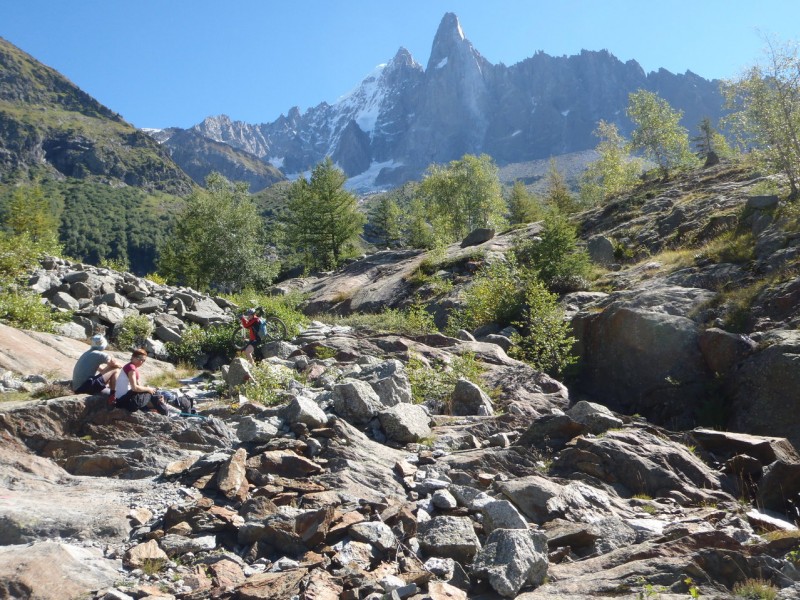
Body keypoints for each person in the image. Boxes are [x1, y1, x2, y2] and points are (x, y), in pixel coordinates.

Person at [115, 348, 169, 415]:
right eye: (139, 358)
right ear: (133, 357)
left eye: (143, 360)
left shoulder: (131, 367)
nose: (141, 362)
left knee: (152, 391)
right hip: (124, 401)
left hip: (123, 400)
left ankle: (154, 408)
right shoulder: (131, 368)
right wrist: (149, 389)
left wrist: (150, 389)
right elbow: (134, 388)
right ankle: (164, 412)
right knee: (151, 392)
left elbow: (139, 387)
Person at [71, 334, 122, 404]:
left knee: (108, 369)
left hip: (77, 388)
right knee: (114, 368)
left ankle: (108, 388)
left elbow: (99, 369)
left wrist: (106, 373)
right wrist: (120, 365)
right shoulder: (100, 354)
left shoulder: (87, 353)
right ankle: (113, 395)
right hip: (86, 386)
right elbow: (113, 364)